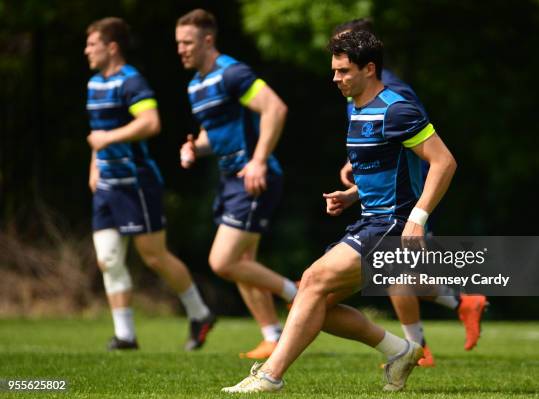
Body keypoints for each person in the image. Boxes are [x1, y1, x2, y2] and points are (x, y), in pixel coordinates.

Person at [223, 30, 457, 393]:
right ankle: (401, 350)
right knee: (313, 299)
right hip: (370, 220)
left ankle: (270, 375)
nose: (336, 78)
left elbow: (444, 163)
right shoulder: (358, 108)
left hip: (393, 225)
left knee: (313, 282)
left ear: (369, 69)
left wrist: (417, 220)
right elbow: (388, 170)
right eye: (334, 70)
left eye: (344, 71)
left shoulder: (397, 109)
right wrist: (351, 195)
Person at [333, 19, 488, 367]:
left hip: (405, 202)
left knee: (394, 274)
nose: (338, 67)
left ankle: (416, 347)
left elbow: (422, 150)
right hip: (380, 203)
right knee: (400, 274)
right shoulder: (352, 90)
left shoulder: (397, 95)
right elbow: (377, 144)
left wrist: (417, 212)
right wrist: (356, 185)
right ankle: (460, 304)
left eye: (345, 54)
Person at [84, 17, 215, 351]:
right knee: (108, 259)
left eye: (92, 44)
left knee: (154, 256)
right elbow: (97, 134)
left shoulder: (132, 82)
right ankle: (125, 335)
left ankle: (200, 314)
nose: (86, 50)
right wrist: (95, 166)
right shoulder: (93, 85)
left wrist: (106, 140)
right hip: (106, 186)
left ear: (111, 47)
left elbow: (150, 122)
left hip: (135, 183)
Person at [175, 9, 298, 359]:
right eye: (178, 43)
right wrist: (193, 149)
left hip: (254, 177)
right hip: (230, 180)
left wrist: (258, 160)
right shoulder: (195, 85)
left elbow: (275, 108)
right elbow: (212, 136)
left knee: (223, 261)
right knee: (245, 263)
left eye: (188, 42)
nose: (181, 49)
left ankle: (296, 293)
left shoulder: (233, 73)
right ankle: (272, 336)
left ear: (208, 40)